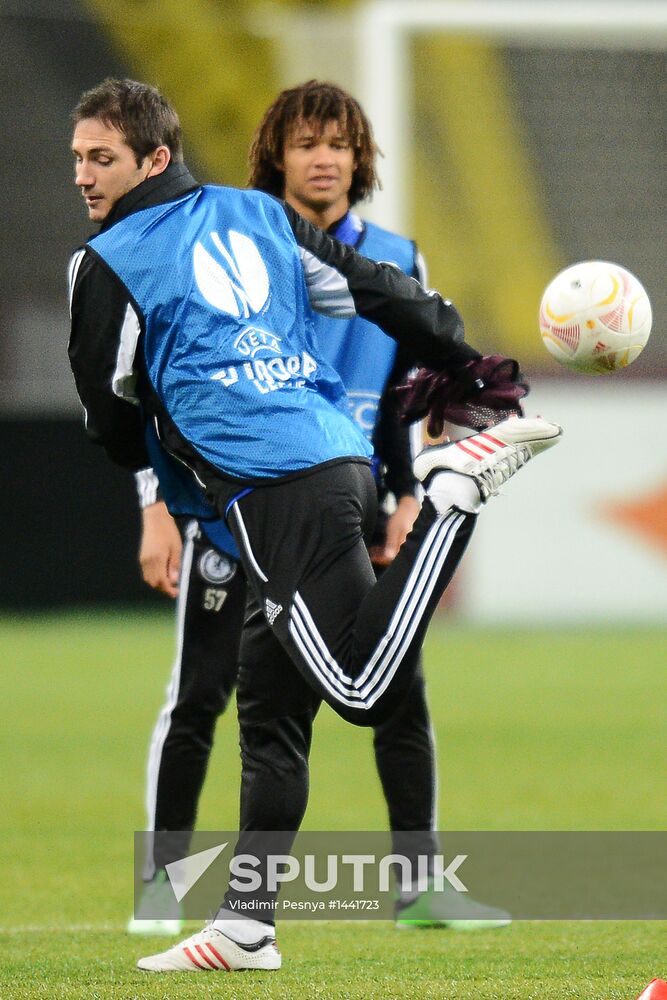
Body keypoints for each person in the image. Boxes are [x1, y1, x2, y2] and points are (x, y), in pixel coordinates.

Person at [68, 78, 561, 974]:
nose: (83, 176)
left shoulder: (107, 261)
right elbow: (382, 290)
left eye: (100, 157)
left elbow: (105, 413)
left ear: (153, 159)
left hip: (270, 484)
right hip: (331, 455)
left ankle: (455, 500)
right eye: (77, 159)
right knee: (269, 713)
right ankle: (246, 926)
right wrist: (457, 352)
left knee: (363, 690)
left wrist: (164, 437)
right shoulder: (256, 215)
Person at [129, 79, 486, 938]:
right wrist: (153, 500)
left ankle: (418, 887)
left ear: (358, 157)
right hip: (242, 505)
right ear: (276, 157)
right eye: (305, 143)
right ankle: (162, 887)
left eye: (338, 143)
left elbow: (403, 389)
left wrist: (402, 493)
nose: (323, 158)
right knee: (202, 695)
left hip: (351, 498)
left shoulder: (399, 254)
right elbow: (161, 376)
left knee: (392, 694)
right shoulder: (236, 236)